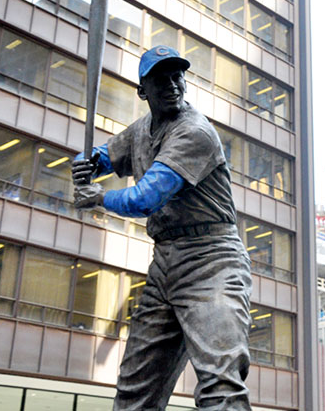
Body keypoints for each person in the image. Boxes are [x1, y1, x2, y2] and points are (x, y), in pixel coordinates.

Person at [72, 45, 252, 411]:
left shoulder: (194, 132)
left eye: (177, 77)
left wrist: (98, 197)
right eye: (161, 80)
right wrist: (85, 163)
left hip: (212, 261)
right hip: (165, 264)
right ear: (143, 91)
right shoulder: (142, 129)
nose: (172, 85)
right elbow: (105, 156)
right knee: (134, 392)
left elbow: (145, 198)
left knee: (220, 385)